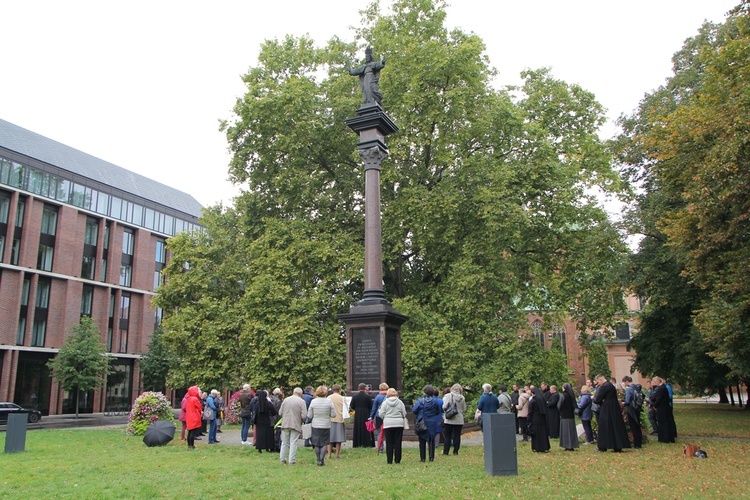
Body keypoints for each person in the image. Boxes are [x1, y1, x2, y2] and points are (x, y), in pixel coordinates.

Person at [592, 374, 629, 452]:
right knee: (615, 426)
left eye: (598, 382)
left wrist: (593, 398)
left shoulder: (604, 387)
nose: (598, 384)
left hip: (607, 408)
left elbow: (597, 399)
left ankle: (602, 446)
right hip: (614, 407)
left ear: (600, 380)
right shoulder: (611, 385)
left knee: (604, 426)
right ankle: (617, 446)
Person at [412, 385, 442, 462]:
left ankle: (422, 458)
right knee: (431, 439)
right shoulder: (435, 401)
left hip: (422, 421)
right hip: (431, 422)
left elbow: (414, 410)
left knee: (422, 440)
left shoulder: (420, 401)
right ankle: (431, 457)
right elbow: (438, 411)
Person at [308, 385, 336, 466]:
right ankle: (321, 460)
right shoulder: (329, 401)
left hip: (315, 424)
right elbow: (333, 414)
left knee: (316, 443)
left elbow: (309, 415)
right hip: (326, 425)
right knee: (324, 443)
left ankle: (318, 459)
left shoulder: (313, 401)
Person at [278, 387, 307, 465]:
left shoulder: (286, 400)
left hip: (285, 423)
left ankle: (282, 458)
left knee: (284, 442)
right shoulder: (302, 402)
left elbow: (280, 413)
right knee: (293, 442)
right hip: (296, 424)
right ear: (300, 394)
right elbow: (304, 415)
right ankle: (292, 460)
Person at [378, 387, 406, 464]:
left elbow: (381, 413)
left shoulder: (385, 403)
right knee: (398, 442)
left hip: (388, 424)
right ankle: (397, 460)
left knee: (389, 442)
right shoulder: (400, 402)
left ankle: (389, 460)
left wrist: (385, 417)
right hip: (398, 423)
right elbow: (404, 413)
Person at [442, 383, 467, 455]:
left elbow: (444, 406)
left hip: (449, 418)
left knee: (448, 436)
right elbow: (464, 409)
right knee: (457, 435)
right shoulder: (462, 398)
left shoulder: (448, 396)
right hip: (459, 419)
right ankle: (456, 451)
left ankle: (446, 451)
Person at [650, 376, 676, 443]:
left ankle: (665, 438)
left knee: (663, 423)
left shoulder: (661, 389)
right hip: (664, 408)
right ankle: (666, 437)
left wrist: (654, 405)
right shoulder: (663, 388)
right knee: (664, 423)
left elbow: (658, 399)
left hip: (662, 408)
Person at [622, 376, 643, 449]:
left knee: (633, 426)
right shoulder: (637, 387)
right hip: (637, 408)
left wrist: (623, 402)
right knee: (637, 425)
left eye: (624, 382)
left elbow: (627, 401)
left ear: (627, 381)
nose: (624, 384)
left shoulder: (629, 389)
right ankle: (639, 442)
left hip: (631, 409)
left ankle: (636, 444)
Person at [350, 383, 374, 448]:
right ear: (365, 388)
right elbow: (371, 406)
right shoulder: (368, 396)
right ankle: (367, 443)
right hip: (366, 413)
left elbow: (352, 406)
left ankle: (357, 443)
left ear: (358, 388)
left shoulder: (355, 396)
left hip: (358, 413)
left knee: (358, 427)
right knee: (366, 428)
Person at [327, 385, 347, 460]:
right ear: (339, 390)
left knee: (330, 439)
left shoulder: (328, 398)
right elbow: (346, 409)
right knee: (339, 439)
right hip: (339, 419)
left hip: (330, 419)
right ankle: (337, 454)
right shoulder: (342, 398)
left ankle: (329, 454)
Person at [528, 387, 550, 452]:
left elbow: (530, 412)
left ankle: (537, 447)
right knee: (543, 434)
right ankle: (544, 447)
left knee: (536, 435)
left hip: (535, 419)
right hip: (542, 419)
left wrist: (528, 420)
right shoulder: (542, 399)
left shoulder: (533, 401)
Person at [558, 383, 579, 451]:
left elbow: (559, 405)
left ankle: (567, 445)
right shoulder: (572, 395)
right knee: (571, 430)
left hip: (564, 415)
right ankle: (572, 445)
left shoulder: (563, 395)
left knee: (566, 431)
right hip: (571, 415)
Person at [369, 382, 389, 452]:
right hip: (388, 416)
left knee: (380, 433)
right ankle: (390, 447)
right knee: (388, 432)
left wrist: (371, 416)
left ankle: (380, 448)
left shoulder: (377, 397)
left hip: (379, 416)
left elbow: (374, 408)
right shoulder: (389, 396)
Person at [185, 386, 203, 450]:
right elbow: (199, 407)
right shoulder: (195, 399)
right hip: (194, 416)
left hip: (189, 416)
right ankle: (192, 445)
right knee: (193, 432)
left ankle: (189, 445)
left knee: (190, 432)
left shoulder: (189, 398)